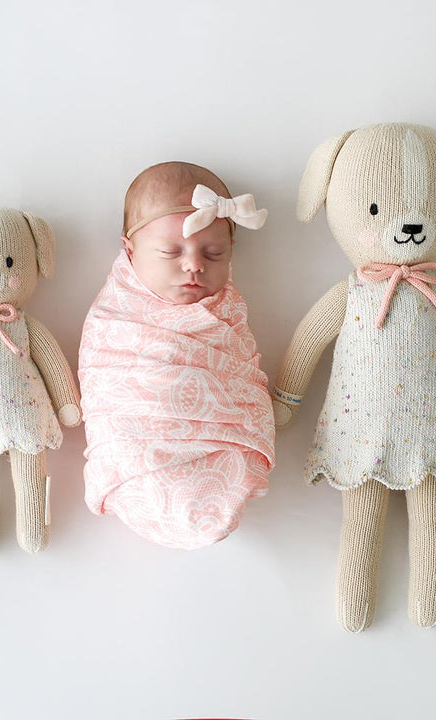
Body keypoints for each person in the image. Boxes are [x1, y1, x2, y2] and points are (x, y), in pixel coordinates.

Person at [78, 161, 275, 549]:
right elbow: (103, 374)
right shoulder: (115, 319)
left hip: (225, 451)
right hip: (135, 452)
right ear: (130, 251)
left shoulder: (226, 313)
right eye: (170, 251)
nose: (194, 265)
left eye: (214, 253)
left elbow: (241, 368)